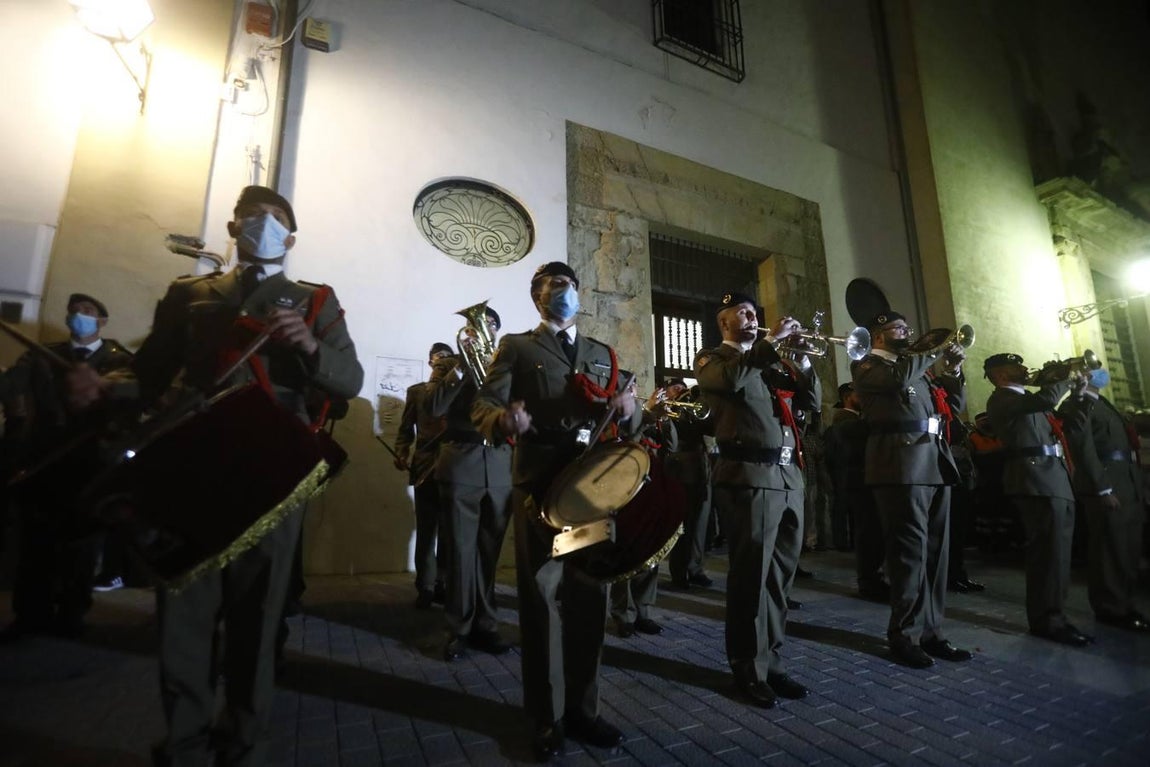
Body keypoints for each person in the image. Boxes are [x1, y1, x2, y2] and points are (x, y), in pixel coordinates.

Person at [67, 185, 364, 766]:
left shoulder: (315, 300)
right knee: (184, 611)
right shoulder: (192, 294)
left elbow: (349, 378)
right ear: (232, 229)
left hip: (272, 468)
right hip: (192, 461)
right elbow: (150, 374)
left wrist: (310, 346)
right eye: (253, 215)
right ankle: (184, 742)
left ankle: (245, 741)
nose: (264, 223)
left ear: (291, 239)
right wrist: (106, 387)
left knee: (259, 612)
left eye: (276, 217)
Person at [472, 261, 639, 760]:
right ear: (536, 297)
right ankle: (547, 718)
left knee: (590, 599)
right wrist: (504, 420)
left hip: (590, 491)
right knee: (542, 603)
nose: (563, 290)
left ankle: (584, 710)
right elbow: (483, 404)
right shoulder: (517, 347)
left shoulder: (601, 354)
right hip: (540, 488)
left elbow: (628, 416)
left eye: (569, 283)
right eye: (552, 284)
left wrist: (632, 411)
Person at [693, 292, 819, 708]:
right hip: (748, 475)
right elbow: (729, 382)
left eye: (753, 313)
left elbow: (812, 405)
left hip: (787, 476)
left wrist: (803, 362)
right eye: (743, 313)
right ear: (724, 322)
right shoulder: (712, 359)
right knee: (751, 577)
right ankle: (747, 666)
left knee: (779, 578)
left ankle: (772, 661)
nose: (752, 318)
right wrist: (770, 344)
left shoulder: (772, 364)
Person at [0, 293, 134, 641]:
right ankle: (31, 614)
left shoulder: (119, 360)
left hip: (91, 462)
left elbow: (132, 402)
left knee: (81, 542)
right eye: (73, 310)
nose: (79, 315)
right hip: (45, 459)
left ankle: (72, 613)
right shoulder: (41, 355)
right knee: (37, 541)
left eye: (87, 311)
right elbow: (11, 385)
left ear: (102, 321)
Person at [852, 312, 972, 669]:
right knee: (910, 555)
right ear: (878, 336)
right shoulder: (868, 366)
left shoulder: (916, 368)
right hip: (901, 466)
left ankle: (932, 632)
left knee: (936, 555)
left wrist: (952, 370)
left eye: (907, 327)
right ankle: (904, 634)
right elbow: (898, 379)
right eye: (899, 328)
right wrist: (933, 350)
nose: (907, 332)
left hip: (934, 462)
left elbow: (953, 408)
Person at [984, 352, 1093, 647]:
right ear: (1000, 375)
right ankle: (1047, 620)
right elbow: (1046, 399)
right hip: (1034, 479)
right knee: (1048, 554)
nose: (1024, 368)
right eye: (1015, 366)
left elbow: (1069, 425)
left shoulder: (1029, 400)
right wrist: (1065, 376)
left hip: (1054, 477)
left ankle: (1056, 615)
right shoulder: (1002, 398)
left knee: (1059, 554)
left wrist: (1080, 395)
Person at [425, 305, 515, 661]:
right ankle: (458, 628)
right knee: (461, 553)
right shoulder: (448, 365)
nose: (483, 329)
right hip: (461, 460)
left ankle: (486, 625)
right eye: (479, 324)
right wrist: (462, 365)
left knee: (489, 553)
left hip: (500, 463)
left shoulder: (506, 364)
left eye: (491, 324)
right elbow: (433, 407)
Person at [1059, 367, 1148, 632]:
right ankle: (1111, 607)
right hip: (1108, 483)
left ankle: (1126, 603)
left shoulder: (1102, 402)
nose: (1100, 372)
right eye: (1092, 368)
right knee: (1111, 550)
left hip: (1126, 481)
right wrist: (1103, 489)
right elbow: (1083, 448)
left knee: (1128, 548)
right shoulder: (1077, 404)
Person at [611, 379, 671, 637]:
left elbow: (670, 445)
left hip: (649, 485)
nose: (634, 388)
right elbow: (627, 441)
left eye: (635, 383)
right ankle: (623, 614)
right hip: (625, 486)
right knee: (626, 553)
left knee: (650, 552)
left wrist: (661, 418)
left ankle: (644, 611)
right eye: (629, 384)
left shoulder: (643, 411)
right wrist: (646, 414)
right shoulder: (617, 412)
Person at [396, 342, 452, 608]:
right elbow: (405, 428)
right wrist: (401, 451)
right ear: (430, 361)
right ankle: (426, 587)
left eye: (447, 358)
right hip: (424, 468)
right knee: (427, 532)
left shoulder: (458, 391)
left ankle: (443, 584)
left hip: (452, 468)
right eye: (438, 358)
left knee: (450, 533)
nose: (442, 362)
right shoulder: (416, 392)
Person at [823, 382, 889, 602]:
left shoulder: (858, 417)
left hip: (867, 478)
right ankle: (869, 581)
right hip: (858, 479)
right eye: (860, 394)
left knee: (873, 531)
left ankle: (874, 577)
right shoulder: (843, 418)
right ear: (848, 397)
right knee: (868, 532)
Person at [663, 379, 714, 590]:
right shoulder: (667, 411)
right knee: (683, 524)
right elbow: (671, 441)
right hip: (681, 468)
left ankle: (695, 568)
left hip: (701, 465)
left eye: (683, 387)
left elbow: (710, 428)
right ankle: (679, 572)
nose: (681, 390)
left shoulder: (693, 407)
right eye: (675, 387)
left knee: (700, 522)